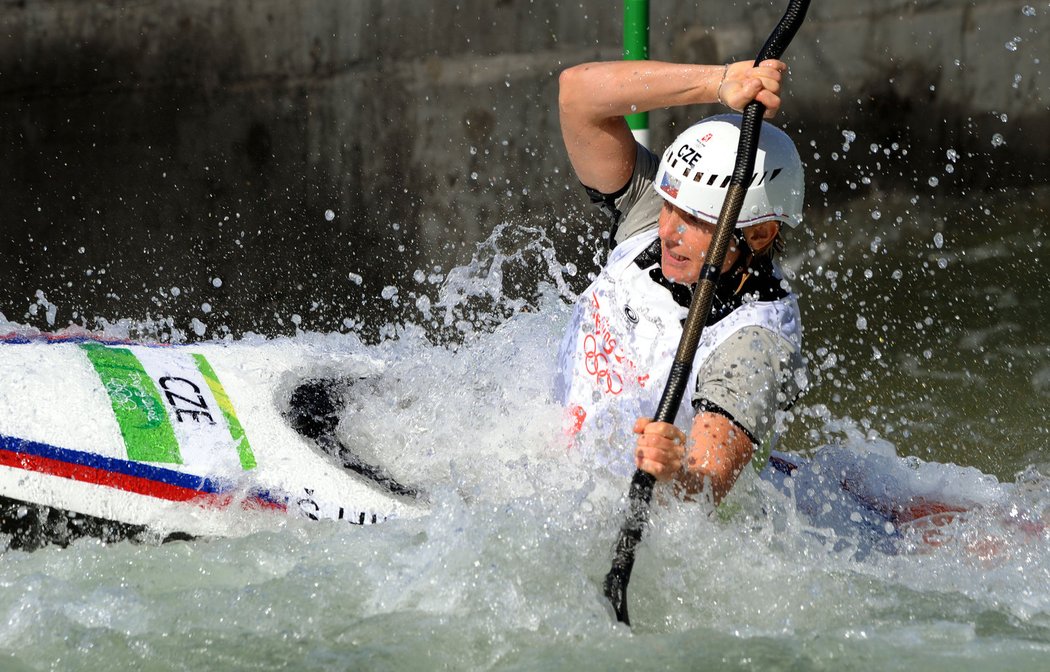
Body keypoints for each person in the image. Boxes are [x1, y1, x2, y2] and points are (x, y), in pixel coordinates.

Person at [555, 58, 807, 505]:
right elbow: (578, 95)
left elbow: (707, 488)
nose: (667, 229)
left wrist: (674, 473)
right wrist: (717, 81)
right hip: (565, 467)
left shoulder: (754, 343)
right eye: (670, 203)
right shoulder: (655, 209)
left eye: (694, 219)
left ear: (760, 233)